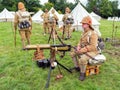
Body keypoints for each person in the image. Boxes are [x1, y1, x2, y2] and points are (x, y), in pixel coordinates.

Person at [70, 16, 99, 81]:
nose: (82, 25)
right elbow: (80, 41)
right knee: (72, 53)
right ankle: (77, 67)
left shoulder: (93, 34)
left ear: (88, 24)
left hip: (92, 51)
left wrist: (82, 50)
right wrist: (78, 46)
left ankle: (82, 73)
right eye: (82, 23)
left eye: (84, 23)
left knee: (83, 59)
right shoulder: (83, 32)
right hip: (83, 49)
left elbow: (93, 46)